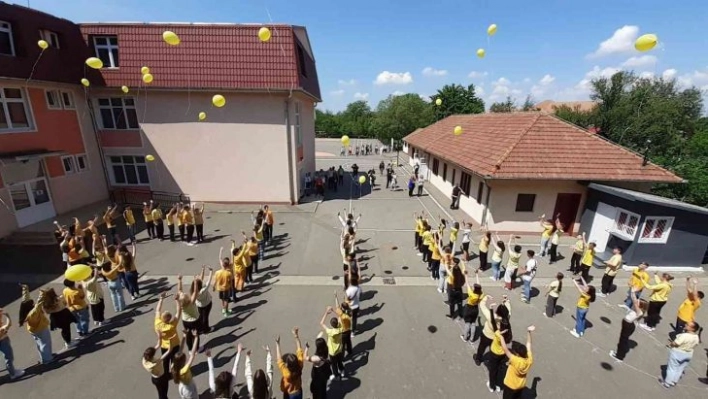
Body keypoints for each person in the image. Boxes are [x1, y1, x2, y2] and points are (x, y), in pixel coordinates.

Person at [18, 284, 54, 364]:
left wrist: (25, 289)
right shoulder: (33, 312)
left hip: (33, 330)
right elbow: (39, 303)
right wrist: (42, 293)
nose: (33, 303)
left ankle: (44, 357)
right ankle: (48, 359)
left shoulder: (25, 311)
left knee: (39, 344)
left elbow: (25, 299)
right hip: (41, 328)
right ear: (30, 306)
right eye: (32, 304)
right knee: (45, 343)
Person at [610, 287, 646, 361]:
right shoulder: (638, 309)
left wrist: (633, 292)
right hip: (628, 324)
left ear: (641, 305)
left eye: (639, 301)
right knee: (624, 339)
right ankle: (620, 353)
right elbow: (635, 300)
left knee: (622, 341)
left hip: (628, 325)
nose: (637, 301)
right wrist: (633, 292)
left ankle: (619, 356)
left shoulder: (639, 311)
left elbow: (634, 301)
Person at [474, 294, 511, 366]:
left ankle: (478, 359)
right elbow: (509, 310)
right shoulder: (507, 319)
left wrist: (485, 298)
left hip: (486, 334)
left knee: (482, 347)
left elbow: (482, 306)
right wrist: (506, 301)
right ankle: (492, 361)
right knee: (493, 349)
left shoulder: (492, 317)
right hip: (496, 337)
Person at [662, 321, 701, 388]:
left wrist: (670, 344)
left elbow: (676, 343)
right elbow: (696, 344)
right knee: (680, 368)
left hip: (678, 353)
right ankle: (674, 381)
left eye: (688, 325)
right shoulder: (696, 337)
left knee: (672, 368)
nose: (686, 325)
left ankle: (667, 383)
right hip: (688, 354)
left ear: (692, 329)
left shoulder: (684, 336)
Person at [500, 326, 535, 399]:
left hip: (510, 385)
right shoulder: (529, 359)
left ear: (518, 354)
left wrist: (500, 336)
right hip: (520, 385)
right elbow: (529, 344)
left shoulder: (516, 360)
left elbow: (505, 350)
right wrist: (528, 332)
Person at [487, 303, 512, 393]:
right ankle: (497, 384)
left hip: (494, 352)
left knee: (492, 370)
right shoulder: (508, 326)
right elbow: (508, 314)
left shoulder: (498, 333)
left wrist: (490, 309)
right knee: (497, 369)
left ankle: (491, 385)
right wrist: (506, 302)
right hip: (502, 353)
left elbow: (493, 321)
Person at [155, 292, 183, 372]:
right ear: (169, 319)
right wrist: (177, 300)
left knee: (165, 360)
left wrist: (161, 298)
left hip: (164, 346)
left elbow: (157, 310)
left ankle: (166, 373)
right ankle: (175, 371)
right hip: (174, 344)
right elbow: (178, 311)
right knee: (175, 359)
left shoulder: (158, 323)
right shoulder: (172, 325)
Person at [277, 328, 306, 399]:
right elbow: (300, 351)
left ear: (288, 365)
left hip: (289, 394)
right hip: (299, 390)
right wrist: (296, 336)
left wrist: (277, 344)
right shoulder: (300, 365)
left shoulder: (287, 374)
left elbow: (279, 361)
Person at [144, 331, 173, 399]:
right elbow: (169, 351)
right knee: (163, 394)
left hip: (155, 378)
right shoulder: (155, 363)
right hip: (161, 378)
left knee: (162, 392)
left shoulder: (144, 360)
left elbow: (158, 345)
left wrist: (160, 337)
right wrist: (170, 341)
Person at [171, 333, 200, 399]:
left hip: (182, 387)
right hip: (189, 388)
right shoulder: (184, 370)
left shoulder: (173, 366)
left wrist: (184, 337)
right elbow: (192, 354)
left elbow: (180, 349)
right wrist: (196, 338)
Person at [320, 307, 345, 379]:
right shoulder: (341, 328)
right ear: (337, 323)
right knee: (340, 361)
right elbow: (340, 316)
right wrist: (334, 310)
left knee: (334, 364)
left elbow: (321, 323)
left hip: (332, 351)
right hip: (339, 349)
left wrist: (326, 313)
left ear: (331, 325)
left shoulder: (330, 332)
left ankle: (336, 375)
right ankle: (342, 371)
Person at [0, 308, 25, 380]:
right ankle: (13, 373)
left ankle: (12, 371)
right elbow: (8, 324)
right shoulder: (1, 330)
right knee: (9, 357)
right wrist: (7, 316)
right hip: (3, 340)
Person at [461, 270, 484, 342]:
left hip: (468, 308)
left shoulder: (471, 294)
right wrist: (477, 275)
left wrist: (466, 275)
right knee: (473, 323)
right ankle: (472, 338)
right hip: (475, 309)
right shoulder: (481, 294)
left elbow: (467, 283)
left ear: (474, 289)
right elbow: (479, 285)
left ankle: (465, 337)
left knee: (467, 323)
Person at [195, 266, 214, 337]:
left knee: (200, 316)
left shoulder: (194, 291)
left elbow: (200, 279)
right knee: (205, 317)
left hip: (199, 305)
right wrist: (211, 271)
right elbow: (209, 280)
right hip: (206, 304)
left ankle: (200, 328)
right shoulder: (203, 290)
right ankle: (206, 329)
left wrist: (202, 269)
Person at [334, 292, 353, 358]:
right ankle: (350, 350)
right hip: (348, 330)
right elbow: (347, 303)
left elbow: (337, 306)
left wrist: (336, 297)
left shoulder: (342, 315)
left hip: (343, 332)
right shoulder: (349, 313)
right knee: (348, 342)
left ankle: (342, 356)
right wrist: (345, 298)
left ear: (343, 309)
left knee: (342, 344)